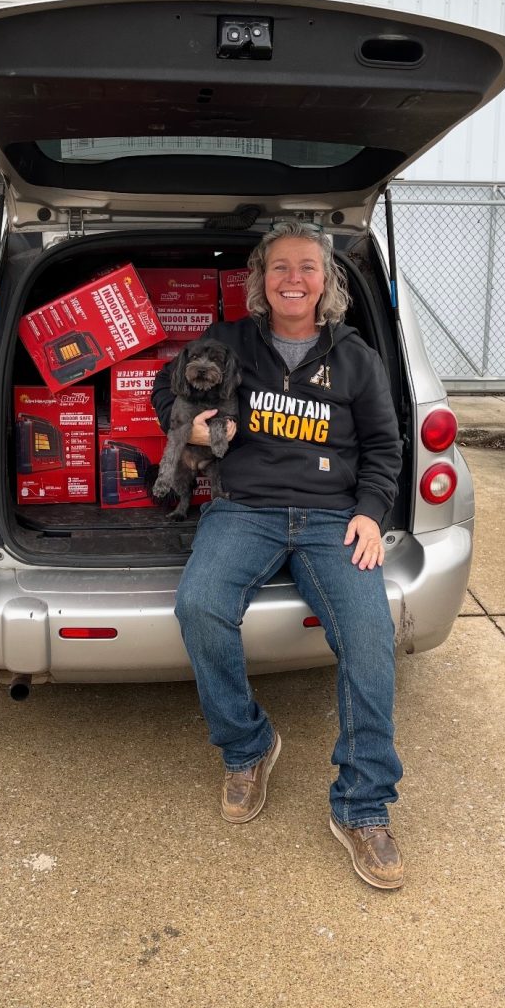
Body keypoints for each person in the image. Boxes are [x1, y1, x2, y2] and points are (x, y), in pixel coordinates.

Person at [151, 220, 405, 890]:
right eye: (280, 267)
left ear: (327, 282)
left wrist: (370, 514)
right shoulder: (230, 342)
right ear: (260, 281)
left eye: (308, 268)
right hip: (244, 508)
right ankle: (248, 745)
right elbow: (164, 382)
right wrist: (189, 422)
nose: (294, 279)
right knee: (199, 606)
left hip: (331, 519)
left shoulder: (354, 357)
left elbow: (383, 448)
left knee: (370, 636)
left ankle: (362, 805)